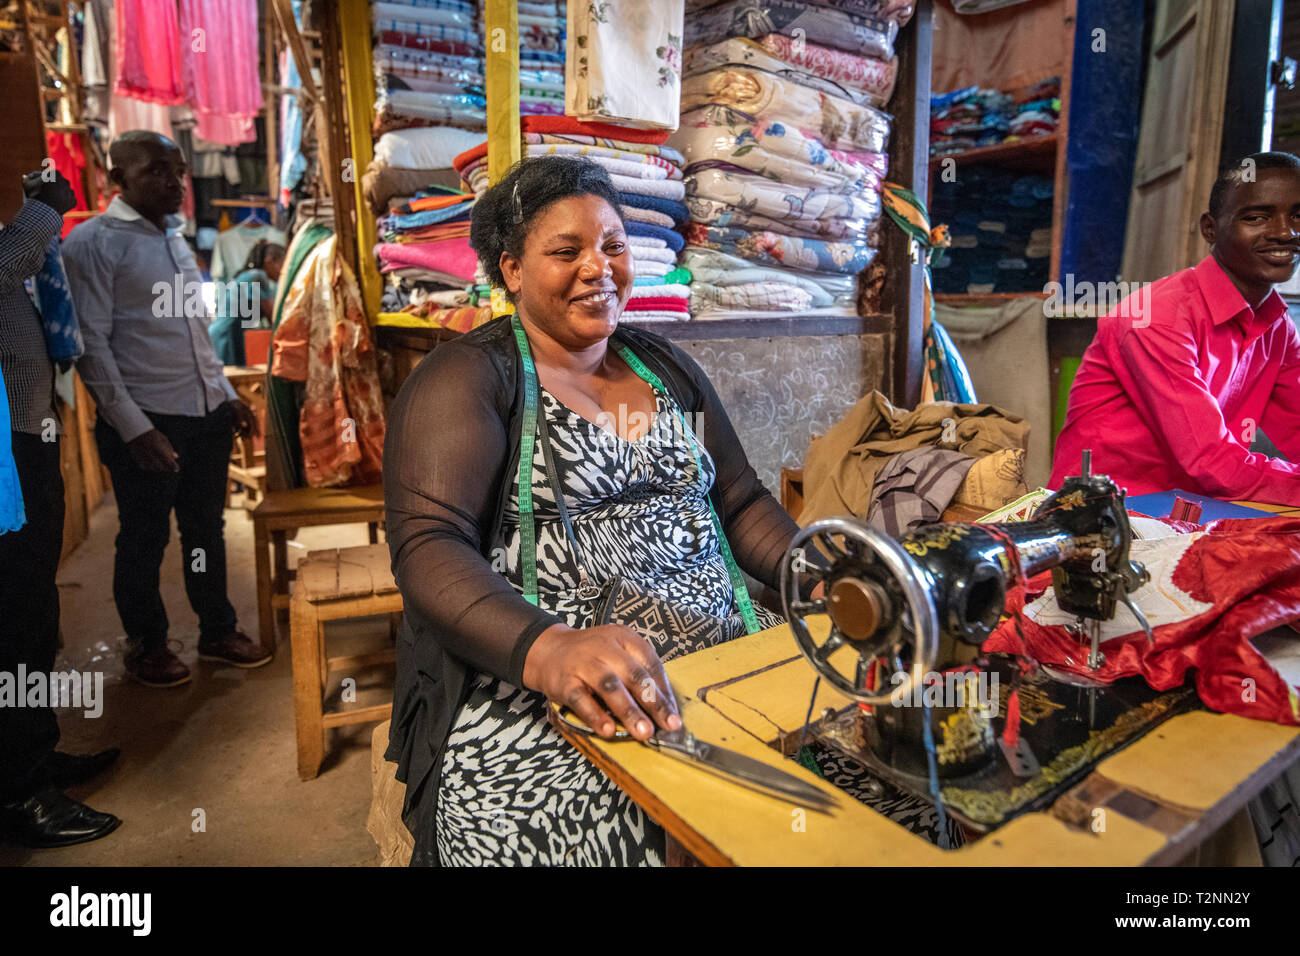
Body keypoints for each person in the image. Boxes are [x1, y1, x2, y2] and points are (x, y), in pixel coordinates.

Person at [383, 156, 956, 866]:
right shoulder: (468, 380)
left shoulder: (665, 367)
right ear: (511, 270)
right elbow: (430, 547)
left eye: (614, 246)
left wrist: (826, 578)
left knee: (898, 784)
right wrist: (550, 648)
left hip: (722, 649)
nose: (599, 267)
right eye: (567, 251)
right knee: (658, 837)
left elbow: (742, 504)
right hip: (564, 685)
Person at [61, 130, 270, 688]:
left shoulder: (175, 238)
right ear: (117, 179)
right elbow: (91, 346)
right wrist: (134, 429)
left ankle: (217, 630)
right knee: (144, 538)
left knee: (206, 531)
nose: (175, 182)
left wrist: (226, 397)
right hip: (148, 421)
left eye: (177, 171)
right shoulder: (92, 244)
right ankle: (147, 645)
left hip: (204, 414)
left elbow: (194, 332)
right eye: (156, 171)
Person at [1050, 151, 1300, 503]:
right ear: (1210, 229)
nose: (1285, 232)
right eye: (1256, 217)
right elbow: (1210, 461)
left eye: (1298, 216)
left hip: (1198, 506)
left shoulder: (1278, 327)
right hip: (1111, 515)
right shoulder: (1154, 316)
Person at [0, 170, 121, 847]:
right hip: (5, 449)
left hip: (22, 439)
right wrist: (42, 214)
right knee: (15, 615)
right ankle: (21, 794)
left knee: (31, 611)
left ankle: (31, 758)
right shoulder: (25, 232)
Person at [208, 240, 285, 366]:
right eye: (282, 264)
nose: (283, 271)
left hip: (221, 335)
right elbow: (273, 317)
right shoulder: (259, 277)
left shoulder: (247, 275)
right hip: (228, 337)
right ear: (269, 261)